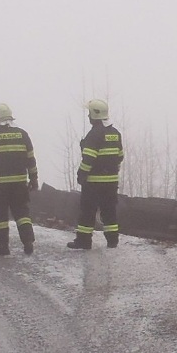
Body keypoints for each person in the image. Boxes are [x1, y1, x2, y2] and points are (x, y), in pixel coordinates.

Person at [0, 103, 39, 256]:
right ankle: (28, 241)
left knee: (0, 217)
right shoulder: (22, 134)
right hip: (19, 184)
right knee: (22, 213)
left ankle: (3, 247)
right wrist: (34, 178)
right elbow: (31, 158)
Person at [68, 99, 124, 250]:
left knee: (87, 211)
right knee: (109, 210)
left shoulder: (94, 134)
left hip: (94, 182)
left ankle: (84, 241)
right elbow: (120, 155)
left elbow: (89, 159)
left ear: (94, 114)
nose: (88, 116)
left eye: (89, 113)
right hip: (111, 182)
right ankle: (113, 241)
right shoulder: (115, 133)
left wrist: (81, 174)